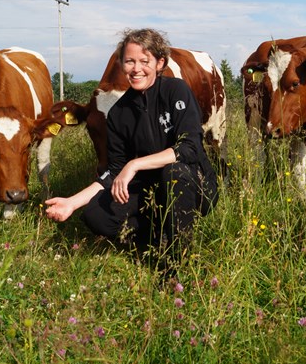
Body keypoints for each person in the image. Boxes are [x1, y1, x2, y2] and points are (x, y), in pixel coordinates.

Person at [45, 28, 219, 268]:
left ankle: (176, 260)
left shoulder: (175, 91)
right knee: (96, 214)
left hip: (195, 183)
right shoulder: (118, 113)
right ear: (122, 64)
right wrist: (72, 203)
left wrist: (135, 164)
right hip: (152, 188)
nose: (136, 69)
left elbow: (189, 148)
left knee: (173, 173)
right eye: (129, 61)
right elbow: (114, 169)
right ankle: (155, 239)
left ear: (160, 63)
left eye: (144, 61)